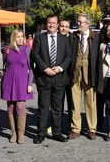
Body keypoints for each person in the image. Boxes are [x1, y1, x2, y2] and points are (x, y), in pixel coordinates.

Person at [31, 14, 73, 144]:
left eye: (54, 23)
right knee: (43, 108)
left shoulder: (64, 39)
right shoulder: (39, 38)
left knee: (57, 107)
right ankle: (41, 133)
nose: (51, 25)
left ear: (57, 24)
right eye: (49, 23)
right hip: (44, 77)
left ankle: (56, 132)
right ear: (46, 23)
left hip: (59, 78)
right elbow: (35, 55)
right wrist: (45, 68)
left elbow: (68, 56)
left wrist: (60, 68)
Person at [68, 13, 100, 140]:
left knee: (91, 102)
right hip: (75, 74)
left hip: (90, 73)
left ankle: (92, 128)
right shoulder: (74, 37)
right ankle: (76, 128)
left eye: (81, 22)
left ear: (88, 23)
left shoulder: (95, 37)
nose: (78, 24)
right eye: (78, 21)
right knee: (75, 103)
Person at [1, 29, 34, 144]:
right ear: (13, 38)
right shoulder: (7, 50)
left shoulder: (27, 50)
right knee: (10, 107)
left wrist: (30, 84)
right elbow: (2, 65)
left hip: (22, 81)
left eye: (21, 36)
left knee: (20, 106)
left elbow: (31, 68)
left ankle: (21, 133)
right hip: (9, 80)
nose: (20, 39)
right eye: (17, 37)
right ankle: (13, 133)